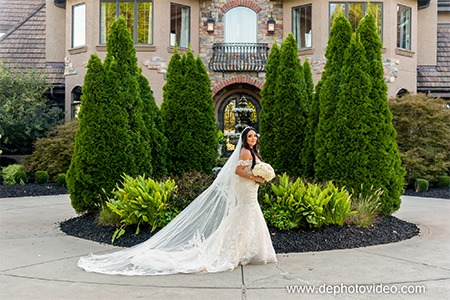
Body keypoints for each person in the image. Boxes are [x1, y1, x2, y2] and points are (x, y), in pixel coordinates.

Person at [77, 127, 277, 275]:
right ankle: (235, 252)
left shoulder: (253, 152)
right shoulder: (243, 151)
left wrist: (262, 176)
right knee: (244, 213)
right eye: (249, 136)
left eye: (254, 136)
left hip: (250, 189)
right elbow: (238, 171)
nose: (252, 138)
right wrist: (256, 178)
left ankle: (246, 250)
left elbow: (248, 170)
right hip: (246, 188)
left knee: (247, 215)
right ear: (244, 139)